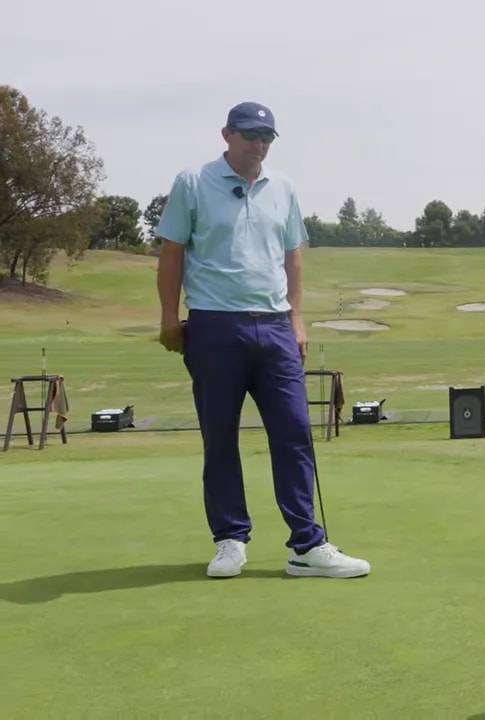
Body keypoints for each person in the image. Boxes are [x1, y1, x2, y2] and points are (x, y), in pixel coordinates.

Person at [154, 101, 370, 580]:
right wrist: (170, 317)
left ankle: (307, 546)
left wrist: (297, 319)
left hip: (274, 326)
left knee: (294, 434)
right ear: (227, 134)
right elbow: (172, 254)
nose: (260, 144)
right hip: (213, 324)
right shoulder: (192, 183)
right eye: (251, 134)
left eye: (267, 137)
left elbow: (293, 255)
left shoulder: (284, 187)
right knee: (220, 438)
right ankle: (230, 540)